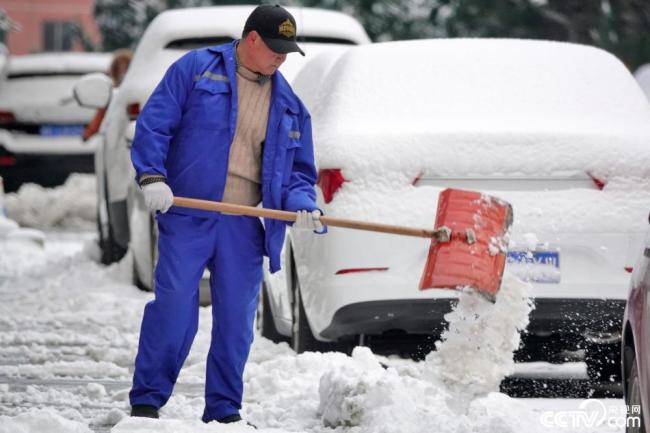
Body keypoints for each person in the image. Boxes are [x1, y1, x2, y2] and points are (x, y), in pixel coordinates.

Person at [128, 4, 324, 424]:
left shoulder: (289, 105)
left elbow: (298, 174)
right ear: (251, 39)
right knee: (175, 309)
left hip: (241, 221)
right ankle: (146, 402)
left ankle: (223, 410)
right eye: (274, 48)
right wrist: (151, 177)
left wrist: (302, 204)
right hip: (188, 215)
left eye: (287, 51)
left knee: (236, 323)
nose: (281, 58)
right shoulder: (196, 70)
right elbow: (154, 124)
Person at [82, 49, 133, 141]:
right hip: (114, 138)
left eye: (125, 66)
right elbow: (101, 115)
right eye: (119, 67)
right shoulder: (111, 92)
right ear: (114, 70)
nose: (122, 71)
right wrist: (89, 132)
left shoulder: (135, 91)